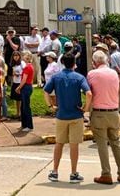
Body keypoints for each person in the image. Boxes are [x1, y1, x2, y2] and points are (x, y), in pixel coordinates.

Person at [44, 53, 92, 183]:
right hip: (76, 115)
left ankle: (55, 171)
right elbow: (88, 93)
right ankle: (73, 172)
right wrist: (86, 108)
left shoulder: (56, 77)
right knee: (74, 145)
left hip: (61, 114)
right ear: (74, 62)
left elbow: (46, 91)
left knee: (59, 143)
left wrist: (51, 105)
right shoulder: (79, 77)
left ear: (63, 62)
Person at [86, 50, 120, 185]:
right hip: (114, 111)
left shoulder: (92, 74)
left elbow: (89, 92)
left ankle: (106, 173)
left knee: (102, 144)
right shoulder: (114, 74)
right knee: (116, 143)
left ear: (94, 62)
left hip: (99, 112)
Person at [16, 51, 35, 131]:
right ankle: (24, 124)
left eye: (24, 55)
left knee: (26, 107)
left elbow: (24, 80)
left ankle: (29, 125)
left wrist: (19, 87)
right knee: (23, 106)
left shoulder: (27, 67)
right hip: (27, 86)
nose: (22, 57)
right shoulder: (29, 66)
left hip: (26, 86)